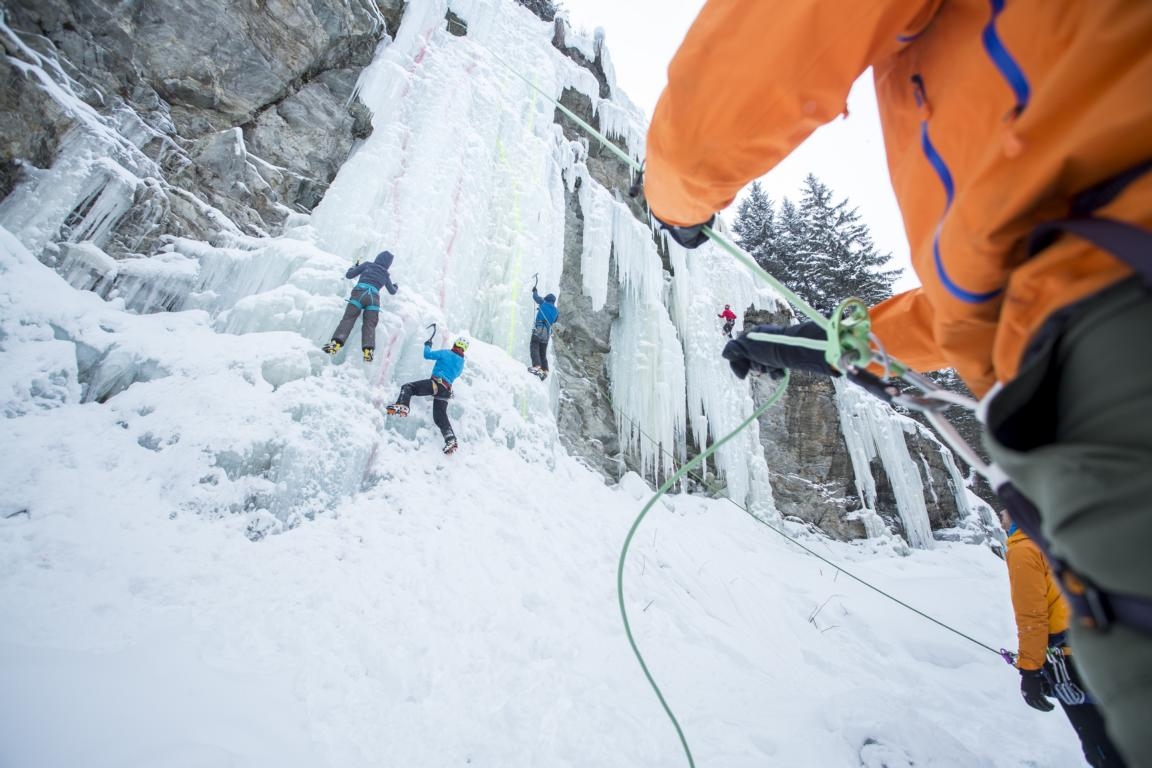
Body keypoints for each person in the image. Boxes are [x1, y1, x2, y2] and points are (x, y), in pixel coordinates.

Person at [643, 2, 1152, 761]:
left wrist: (677, 198)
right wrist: (808, 347)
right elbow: (949, 318)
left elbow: (771, 46)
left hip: (1109, 314)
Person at [999, 509, 1126, 767]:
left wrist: (1030, 672)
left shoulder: (1024, 551)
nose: (1001, 516)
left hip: (1069, 663)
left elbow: (1032, 617)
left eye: (1005, 511)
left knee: (1098, 741)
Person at [386, 337, 468, 454]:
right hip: (446, 390)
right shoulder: (461, 364)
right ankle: (450, 439)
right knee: (440, 417)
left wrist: (428, 344)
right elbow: (455, 374)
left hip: (436, 383)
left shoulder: (446, 353)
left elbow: (427, 355)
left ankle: (402, 405)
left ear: (455, 344)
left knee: (408, 387)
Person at [322, 250, 399, 362]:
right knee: (370, 325)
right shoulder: (386, 275)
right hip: (374, 299)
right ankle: (368, 350)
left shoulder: (368, 265)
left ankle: (336, 344)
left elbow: (349, 275)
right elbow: (392, 291)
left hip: (360, 293)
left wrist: (354, 267)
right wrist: (395, 286)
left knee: (348, 319)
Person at [528, 288, 558, 381]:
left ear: (547, 299)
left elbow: (535, 297)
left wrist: (535, 291)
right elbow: (556, 319)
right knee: (542, 352)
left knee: (534, 345)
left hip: (540, 328)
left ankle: (537, 366)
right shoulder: (556, 311)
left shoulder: (544, 303)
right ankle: (545, 370)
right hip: (547, 332)